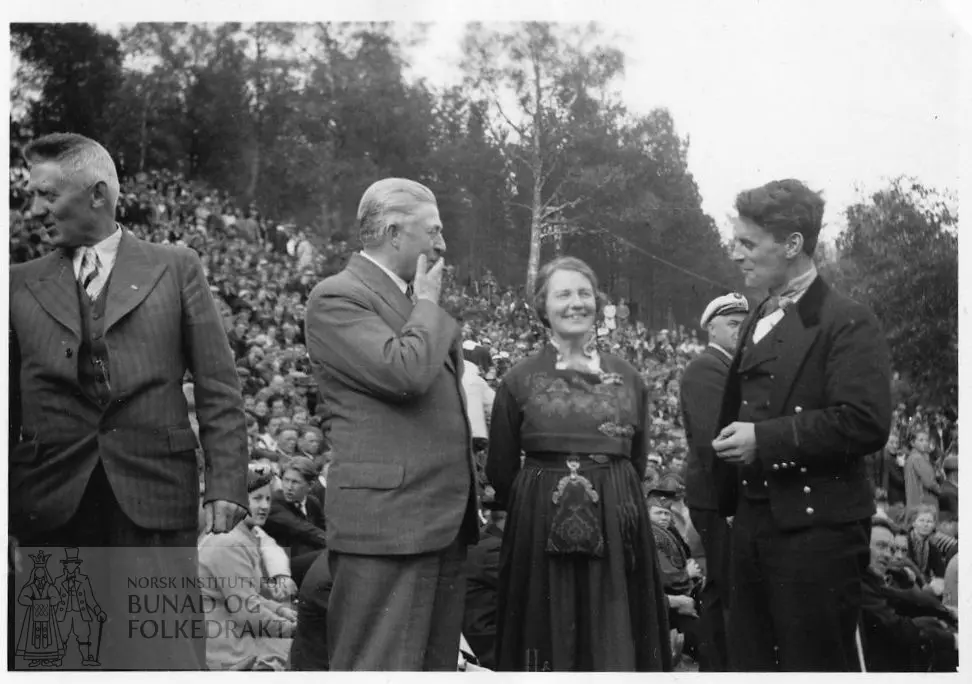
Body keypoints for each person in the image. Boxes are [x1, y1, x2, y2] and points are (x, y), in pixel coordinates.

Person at [9, 133, 249, 669]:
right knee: (57, 657)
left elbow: (217, 381)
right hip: (49, 499)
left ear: (97, 195)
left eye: (47, 196)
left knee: (160, 655)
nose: (33, 210)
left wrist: (228, 482)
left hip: (154, 491)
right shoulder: (17, 284)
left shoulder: (175, 265)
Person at [712, 179, 892, 671]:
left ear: (792, 244)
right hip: (752, 528)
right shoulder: (757, 316)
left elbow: (865, 422)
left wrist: (764, 441)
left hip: (818, 538)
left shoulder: (848, 320)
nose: (737, 254)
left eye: (748, 243)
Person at [304, 178, 479, 670]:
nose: (442, 244)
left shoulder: (411, 301)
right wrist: (426, 304)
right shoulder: (338, 296)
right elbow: (404, 373)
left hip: (439, 523)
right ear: (395, 232)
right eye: (434, 230)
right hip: (388, 525)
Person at [486, 256, 671, 671]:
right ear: (542, 307)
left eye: (584, 293)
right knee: (545, 632)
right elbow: (500, 469)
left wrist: (609, 495)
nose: (576, 303)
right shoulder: (517, 380)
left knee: (613, 629)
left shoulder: (629, 378)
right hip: (539, 520)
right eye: (563, 294)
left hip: (616, 516)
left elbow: (636, 461)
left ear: (598, 303)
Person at [679, 291, 749, 671]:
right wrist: (733, 503)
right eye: (733, 324)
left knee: (724, 588)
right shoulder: (706, 369)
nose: (740, 331)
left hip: (724, 497)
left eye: (743, 324)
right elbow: (714, 445)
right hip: (719, 497)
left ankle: (718, 667)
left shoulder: (732, 368)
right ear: (712, 329)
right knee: (730, 588)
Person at [198, 464, 297, 670]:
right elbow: (247, 613)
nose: (264, 506)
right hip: (224, 648)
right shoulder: (228, 541)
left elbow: (247, 596)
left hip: (231, 634)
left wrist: (280, 610)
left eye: (268, 499)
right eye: (257, 498)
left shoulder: (240, 534)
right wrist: (292, 630)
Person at [860, 517, 957, 671]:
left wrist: (946, 612)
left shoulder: (883, 577)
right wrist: (951, 639)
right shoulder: (860, 583)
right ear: (861, 547)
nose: (888, 555)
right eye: (881, 546)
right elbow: (896, 627)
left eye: (890, 549)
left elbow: (904, 599)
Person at [904, 428, 940, 509]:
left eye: (926, 440)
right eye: (921, 440)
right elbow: (930, 483)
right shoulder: (918, 458)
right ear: (912, 443)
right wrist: (940, 490)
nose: (925, 443)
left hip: (913, 502)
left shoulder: (910, 458)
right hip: (925, 502)